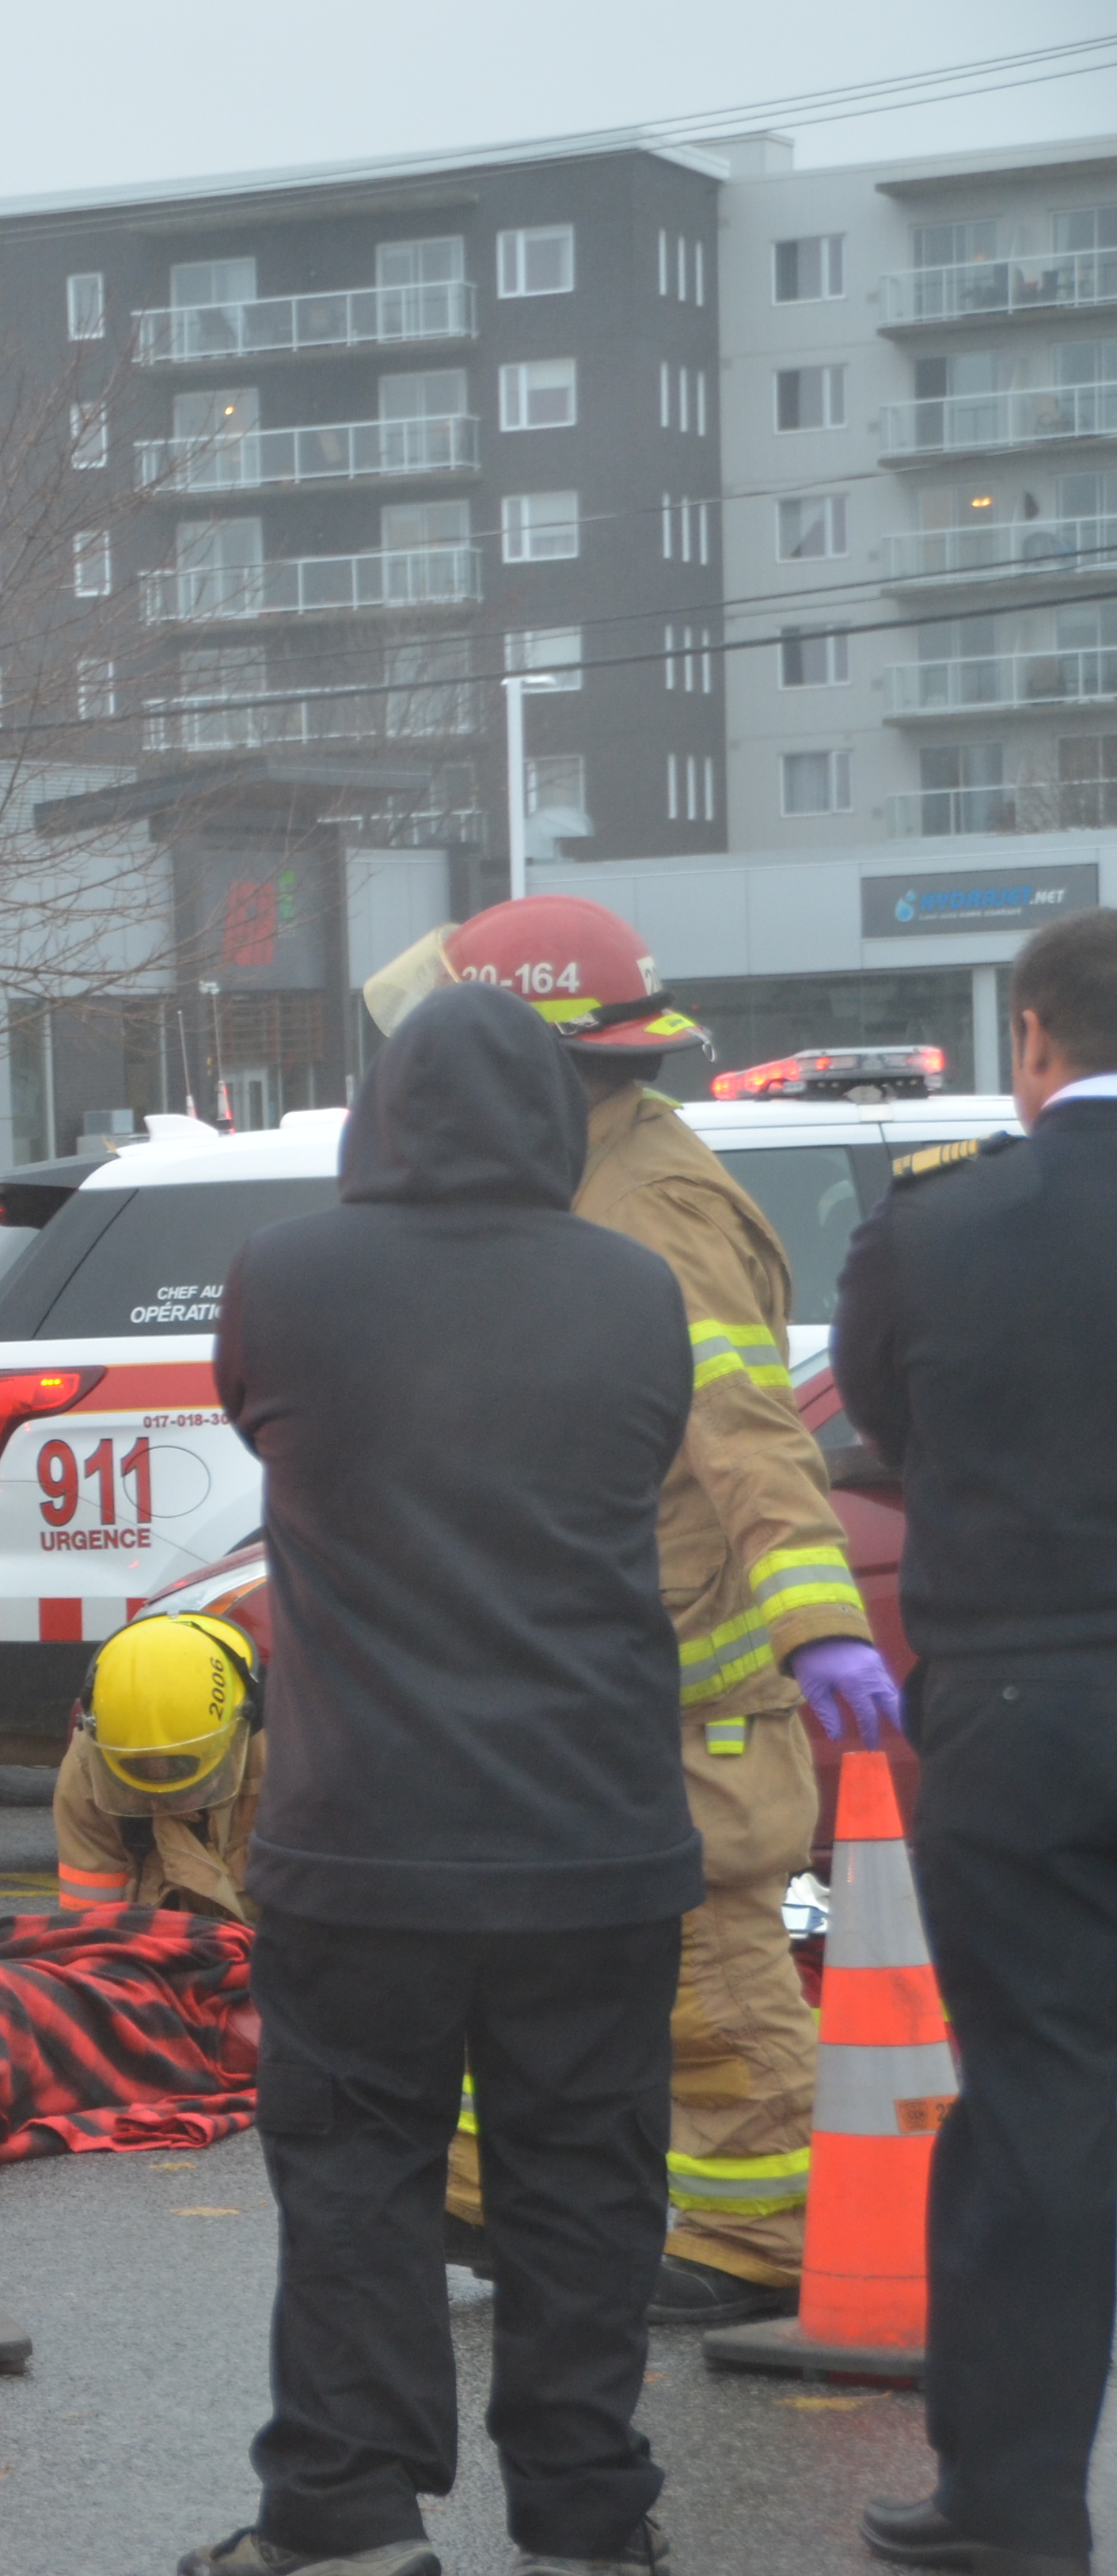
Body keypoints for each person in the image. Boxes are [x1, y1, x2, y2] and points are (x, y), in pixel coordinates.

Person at [186, 981, 700, 2576]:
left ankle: (343, 2514)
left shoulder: (288, 1278)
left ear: (378, 1113)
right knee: (583, 2179)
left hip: (366, 1835)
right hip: (592, 1831)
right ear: (556, 1116)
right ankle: (583, 2516)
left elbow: (260, 1425)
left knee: (353, 2171)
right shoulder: (634, 1290)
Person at [386, 894, 893, 2328]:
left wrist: (816, 1622)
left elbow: (744, 1431)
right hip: (570, 1655)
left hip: (683, 1669)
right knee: (513, 1928)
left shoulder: (650, 1207)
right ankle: (484, 2185)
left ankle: (765, 2229)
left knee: (709, 1952)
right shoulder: (568, 1180)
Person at [834, 906, 1117, 2576]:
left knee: (1038, 2105)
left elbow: (881, 1415)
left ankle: (1012, 2506)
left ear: (1032, 1039)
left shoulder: (936, 1227)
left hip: (1019, 1706)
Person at [55, 1604, 267, 1926]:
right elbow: (89, 1931)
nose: (162, 1789)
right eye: (139, 1771)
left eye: (180, 1767)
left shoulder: (294, 1760)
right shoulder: (88, 1772)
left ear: (234, 1734)